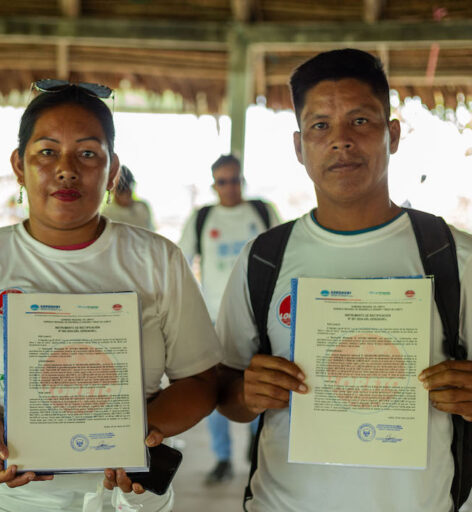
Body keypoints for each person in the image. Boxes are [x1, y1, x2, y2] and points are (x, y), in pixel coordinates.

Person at [0, 83, 221, 512]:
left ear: (113, 171)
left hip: (123, 503)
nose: (67, 169)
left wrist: (140, 433)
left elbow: (200, 381)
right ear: (20, 165)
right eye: (47, 152)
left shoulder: (157, 259)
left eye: (89, 153)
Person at [215, 48, 472, 511]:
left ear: (392, 135)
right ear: (299, 147)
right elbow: (225, 391)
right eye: (320, 126)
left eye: (360, 121)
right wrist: (246, 393)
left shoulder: (455, 256)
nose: (341, 141)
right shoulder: (265, 259)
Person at [178, 154, 279, 484]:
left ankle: (255, 446)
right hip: (213, 319)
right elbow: (180, 265)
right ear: (214, 184)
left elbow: (284, 256)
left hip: (259, 319)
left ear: (242, 181)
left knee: (255, 384)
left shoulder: (261, 212)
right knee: (217, 389)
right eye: (222, 181)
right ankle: (222, 458)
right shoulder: (202, 218)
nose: (230, 187)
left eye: (235, 180)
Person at [101, 165, 155, 230]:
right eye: (120, 190)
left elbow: (151, 234)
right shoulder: (107, 215)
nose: (125, 195)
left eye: (128, 188)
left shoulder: (143, 207)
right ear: (112, 189)